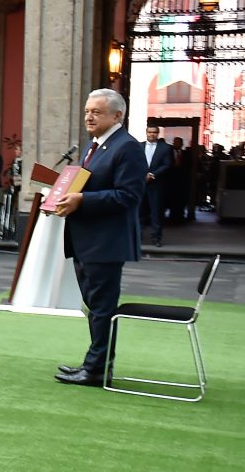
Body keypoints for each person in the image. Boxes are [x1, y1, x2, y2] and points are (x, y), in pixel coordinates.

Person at [54, 89, 147, 387]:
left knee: (103, 308)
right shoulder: (94, 146)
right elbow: (85, 182)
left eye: (96, 111)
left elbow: (128, 196)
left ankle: (96, 370)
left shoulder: (127, 147)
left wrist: (82, 200)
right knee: (94, 307)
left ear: (117, 115)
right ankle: (93, 364)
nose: (89, 117)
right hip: (87, 239)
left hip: (106, 242)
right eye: (87, 111)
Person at [141, 125, 171, 247]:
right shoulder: (138, 146)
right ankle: (138, 236)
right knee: (139, 211)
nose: (152, 134)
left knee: (156, 212)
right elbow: (132, 162)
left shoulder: (166, 148)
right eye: (150, 132)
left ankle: (156, 237)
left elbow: (167, 164)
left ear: (158, 133)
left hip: (156, 184)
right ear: (146, 132)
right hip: (140, 183)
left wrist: (152, 174)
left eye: (154, 132)